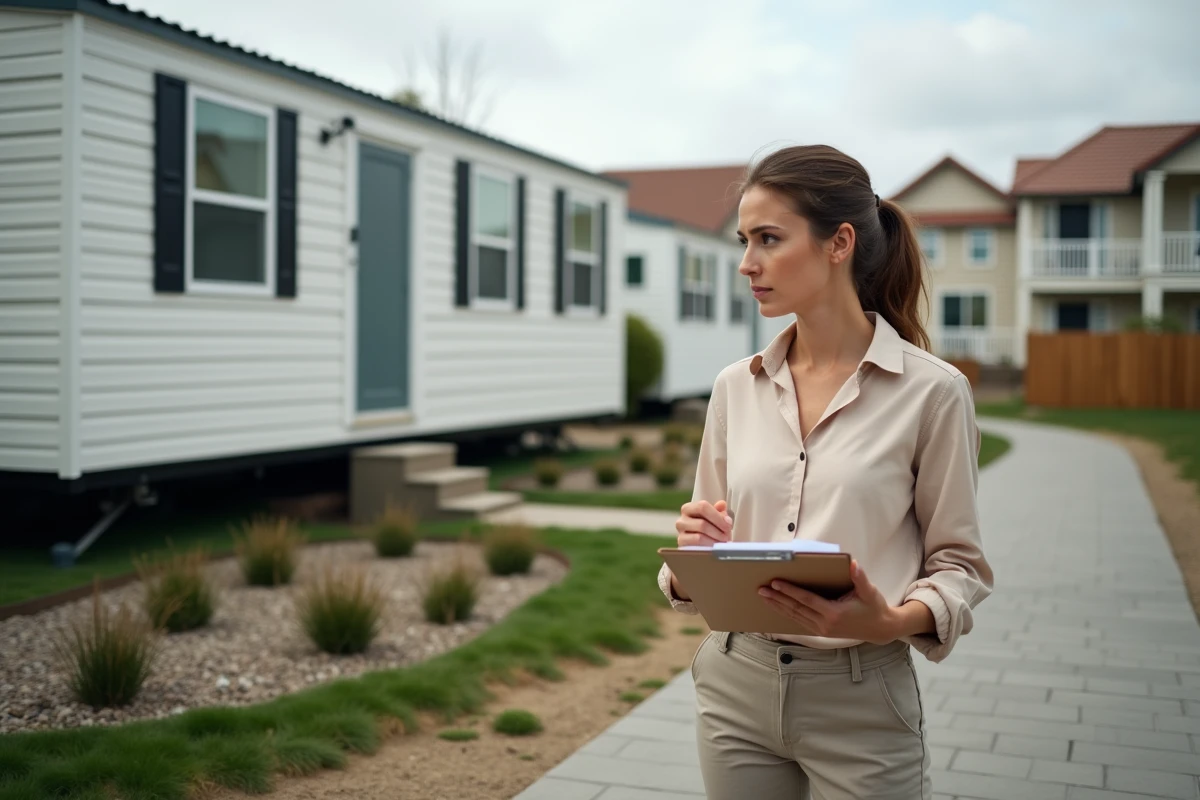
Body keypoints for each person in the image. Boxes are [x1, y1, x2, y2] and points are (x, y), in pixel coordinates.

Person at [658, 144, 993, 800]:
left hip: (862, 701)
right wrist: (693, 557)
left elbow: (961, 566)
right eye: (743, 240)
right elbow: (699, 557)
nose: (746, 263)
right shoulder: (735, 387)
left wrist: (890, 622)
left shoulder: (933, 393)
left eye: (768, 239)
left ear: (839, 242)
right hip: (735, 687)